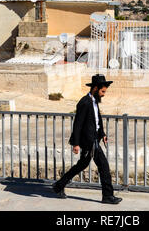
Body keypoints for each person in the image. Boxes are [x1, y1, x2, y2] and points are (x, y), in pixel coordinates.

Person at [52, 74, 122, 205]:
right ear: (95, 88)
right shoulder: (84, 102)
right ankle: (107, 196)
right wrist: (76, 143)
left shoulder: (94, 101)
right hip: (89, 142)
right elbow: (78, 124)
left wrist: (103, 134)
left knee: (81, 165)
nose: (104, 94)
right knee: (104, 167)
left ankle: (58, 186)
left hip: (94, 139)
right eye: (102, 91)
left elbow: (96, 121)